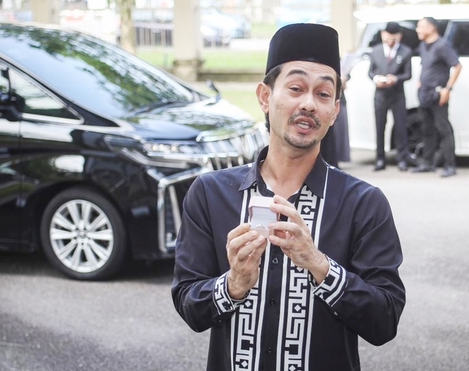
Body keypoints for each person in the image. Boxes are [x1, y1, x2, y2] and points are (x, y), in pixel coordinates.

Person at [171, 23, 405, 371]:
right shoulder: (211, 193)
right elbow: (190, 306)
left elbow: (384, 321)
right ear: (265, 97)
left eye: (324, 94)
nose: (309, 104)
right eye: (295, 88)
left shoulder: (363, 203)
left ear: (335, 111)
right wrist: (234, 284)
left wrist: (319, 264)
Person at [412, 17, 462, 177]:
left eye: (420, 27)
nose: (417, 30)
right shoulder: (423, 46)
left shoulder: (442, 45)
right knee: (426, 129)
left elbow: (458, 66)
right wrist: (420, 82)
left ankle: (450, 165)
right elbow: (425, 66)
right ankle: (427, 163)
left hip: (438, 93)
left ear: (431, 28)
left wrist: (448, 89)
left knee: (443, 129)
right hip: (424, 93)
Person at [367, 22, 413, 172]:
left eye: (394, 39)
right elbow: (370, 72)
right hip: (380, 94)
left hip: (397, 94)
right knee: (380, 127)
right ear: (382, 35)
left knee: (400, 127)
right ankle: (380, 158)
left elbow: (408, 74)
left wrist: (396, 78)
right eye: (388, 39)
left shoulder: (406, 52)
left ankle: (402, 158)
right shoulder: (375, 51)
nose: (391, 42)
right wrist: (376, 79)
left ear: (399, 37)